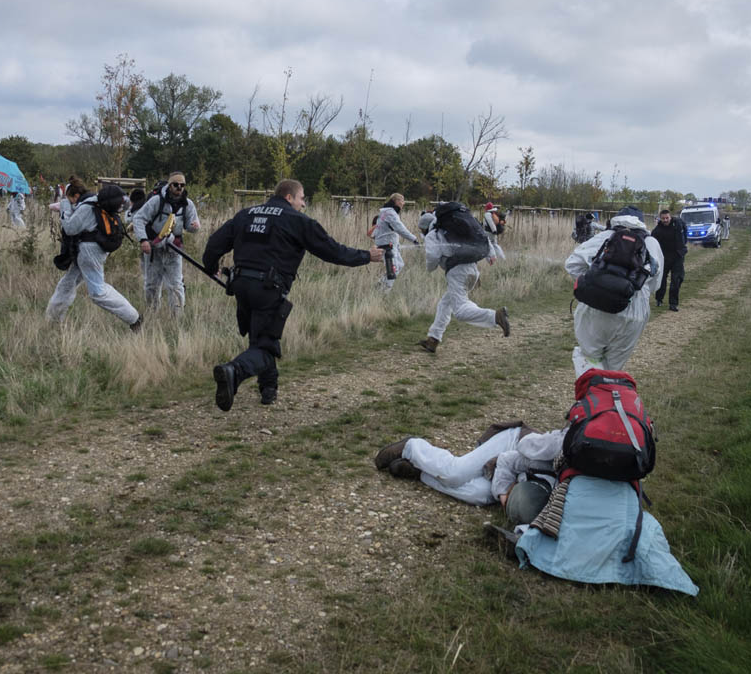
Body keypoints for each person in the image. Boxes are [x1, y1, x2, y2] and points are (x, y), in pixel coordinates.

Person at [202, 179, 383, 411]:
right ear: (289, 197)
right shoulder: (297, 220)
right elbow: (332, 250)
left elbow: (214, 244)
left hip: (240, 285)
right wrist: (366, 256)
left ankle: (268, 388)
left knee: (259, 337)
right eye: (302, 198)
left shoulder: (245, 215)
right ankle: (233, 371)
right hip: (268, 288)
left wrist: (211, 267)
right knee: (266, 348)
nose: (303, 204)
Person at [374, 424, 564, 521]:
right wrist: (503, 492)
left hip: (517, 475)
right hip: (513, 445)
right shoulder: (560, 448)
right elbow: (508, 460)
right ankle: (411, 447)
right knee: (455, 474)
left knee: (478, 495)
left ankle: (420, 472)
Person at [566, 206, 663, 375]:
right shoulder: (652, 243)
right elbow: (656, 284)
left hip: (595, 308)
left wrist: (594, 281)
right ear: (641, 222)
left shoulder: (605, 236)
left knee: (590, 359)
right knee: (613, 368)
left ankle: (590, 388)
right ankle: (608, 388)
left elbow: (572, 265)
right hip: (634, 312)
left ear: (616, 219)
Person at [46, 177, 142, 331]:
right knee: (67, 284)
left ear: (76, 195)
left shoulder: (87, 207)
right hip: (90, 250)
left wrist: (64, 206)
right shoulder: (94, 201)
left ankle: (134, 319)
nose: (71, 203)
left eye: (70, 199)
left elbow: (70, 228)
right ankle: (53, 321)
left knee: (98, 292)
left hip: (89, 252)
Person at [415, 210, 510, 353]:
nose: (422, 232)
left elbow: (432, 257)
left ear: (425, 227)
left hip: (458, 273)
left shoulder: (432, 235)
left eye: (421, 229)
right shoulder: (451, 230)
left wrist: (430, 268)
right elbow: (482, 236)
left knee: (460, 310)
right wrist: (490, 254)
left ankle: (495, 317)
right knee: (445, 304)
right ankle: (433, 339)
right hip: (472, 270)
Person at [133, 173, 200, 315]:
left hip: (174, 249)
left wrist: (194, 227)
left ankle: (177, 318)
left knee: (176, 285)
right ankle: (152, 315)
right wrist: (143, 240)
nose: (179, 187)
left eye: (182, 185)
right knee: (152, 285)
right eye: (176, 184)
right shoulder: (156, 201)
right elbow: (139, 219)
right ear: (169, 186)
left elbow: (191, 225)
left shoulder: (188, 204)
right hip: (153, 248)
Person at [372, 193, 420, 291]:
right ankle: (383, 292)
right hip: (387, 245)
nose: (403, 203)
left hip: (391, 245)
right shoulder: (390, 213)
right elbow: (400, 229)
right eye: (402, 201)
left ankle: (379, 286)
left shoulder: (387, 212)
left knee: (400, 265)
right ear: (396, 201)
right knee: (393, 270)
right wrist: (414, 239)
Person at [650, 208, 686, 311]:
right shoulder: (657, 231)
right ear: (660, 219)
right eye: (663, 218)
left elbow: (685, 235)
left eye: (667, 218)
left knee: (676, 279)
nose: (665, 220)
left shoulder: (678, 224)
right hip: (664, 258)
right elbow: (653, 244)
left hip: (678, 256)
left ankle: (673, 303)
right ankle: (659, 299)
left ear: (670, 217)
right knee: (661, 279)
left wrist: (682, 248)